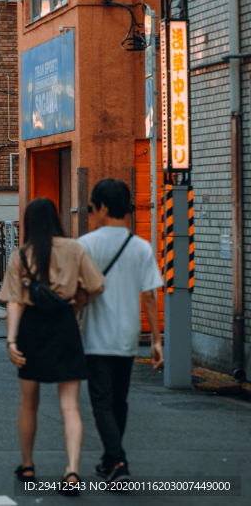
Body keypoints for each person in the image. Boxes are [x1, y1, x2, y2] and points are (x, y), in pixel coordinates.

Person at [0, 198, 105, 492]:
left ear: (30, 222)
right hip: (64, 326)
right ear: (57, 219)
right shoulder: (74, 249)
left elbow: (13, 301)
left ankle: (28, 466)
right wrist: (77, 308)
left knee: (29, 403)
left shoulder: (22, 254)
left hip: (32, 328)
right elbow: (95, 286)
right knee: (70, 406)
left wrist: (11, 340)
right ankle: (72, 472)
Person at [78, 179, 163, 482]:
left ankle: (118, 461)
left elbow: (77, 291)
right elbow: (150, 295)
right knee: (119, 401)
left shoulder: (86, 244)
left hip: (97, 336)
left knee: (101, 402)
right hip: (128, 337)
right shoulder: (141, 246)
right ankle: (109, 459)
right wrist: (155, 339)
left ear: (101, 207)